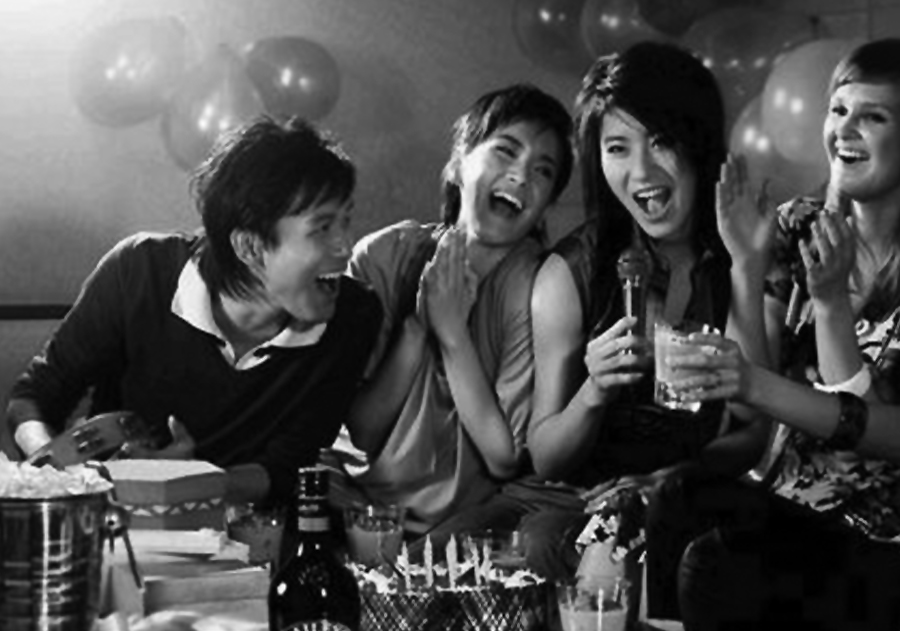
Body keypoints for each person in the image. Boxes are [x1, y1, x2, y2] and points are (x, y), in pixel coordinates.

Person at [6, 116, 382, 508]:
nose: (346, 246)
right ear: (250, 247)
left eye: (346, 220)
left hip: (246, 534)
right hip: (116, 523)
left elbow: (289, 468)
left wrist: (189, 482)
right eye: (322, 228)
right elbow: (33, 398)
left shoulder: (353, 315)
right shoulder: (139, 271)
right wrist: (58, 475)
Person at [519, 42, 770, 618]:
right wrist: (593, 390)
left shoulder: (738, 251)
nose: (641, 171)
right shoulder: (570, 272)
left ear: (698, 141)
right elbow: (546, 456)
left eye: (660, 141)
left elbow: (754, 430)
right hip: (589, 506)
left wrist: (747, 268)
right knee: (558, 544)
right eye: (617, 148)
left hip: (696, 498)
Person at [671, 37, 900, 630]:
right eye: (838, 109)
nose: (844, 129)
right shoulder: (799, 225)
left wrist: (830, 307)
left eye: (873, 116)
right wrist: (746, 268)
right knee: (677, 498)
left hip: (879, 529)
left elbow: (873, 436)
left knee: (715, 565)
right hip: (789, 498)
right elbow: (749, 405)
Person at [338, 83, 573, 535]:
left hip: (467, 531)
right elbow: (362, 432)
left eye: (543, 171)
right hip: (363, 512)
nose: (521, 176)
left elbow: (504, 457)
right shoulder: (384, 256)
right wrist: (415, 329)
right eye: (506, 151)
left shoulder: (537, 285)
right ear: (459, 163)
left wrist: (451, 334)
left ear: (546, 204)